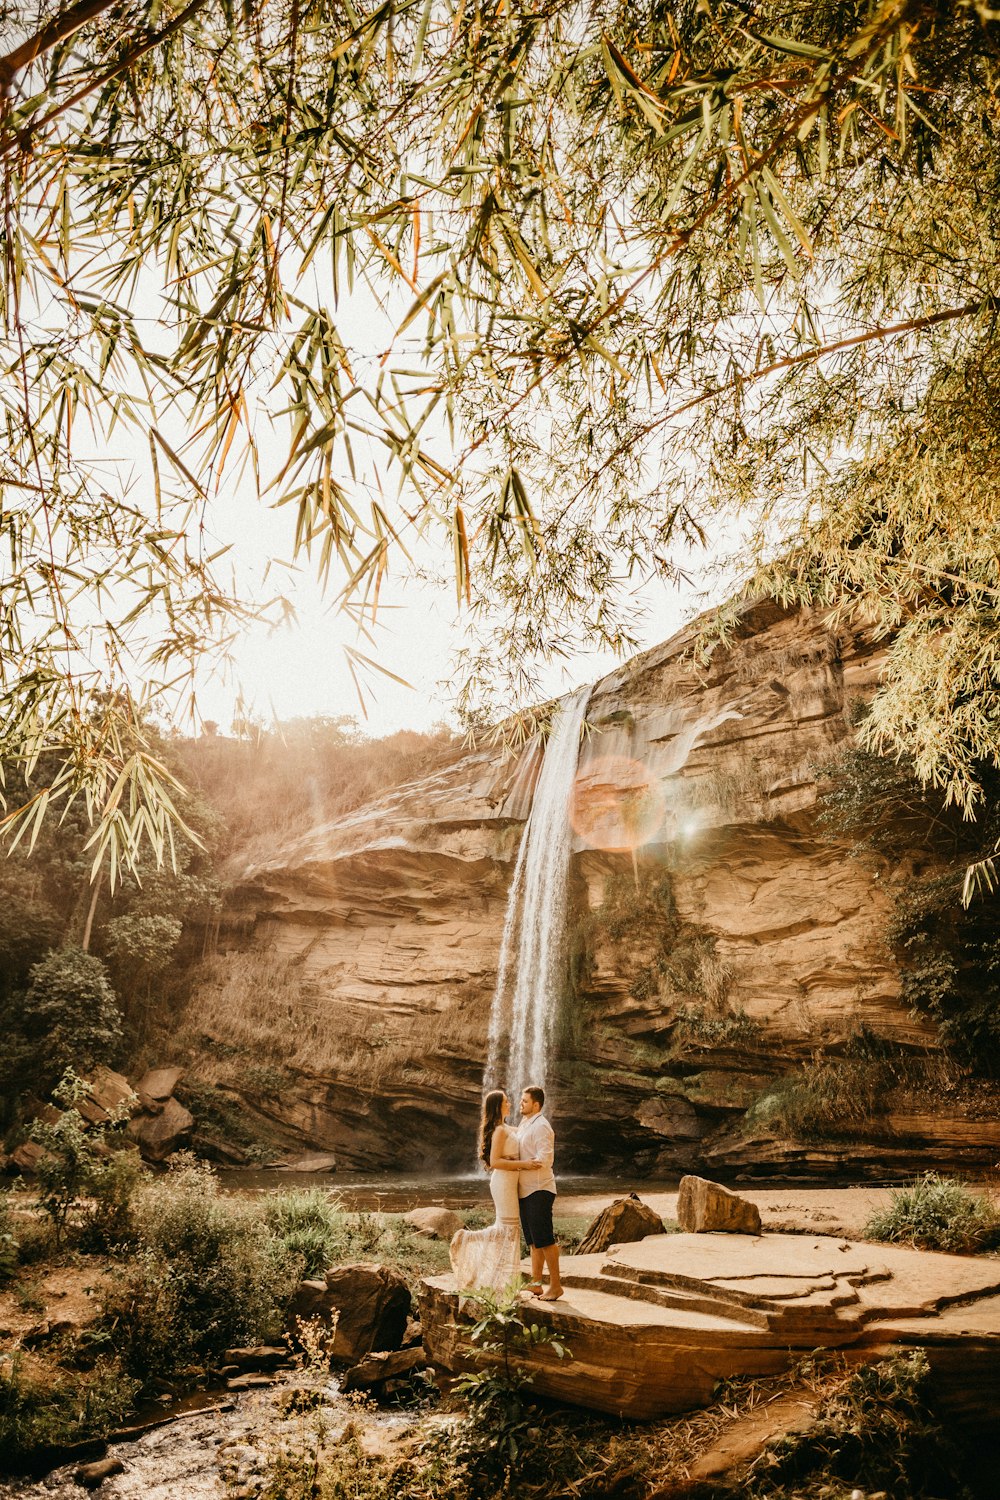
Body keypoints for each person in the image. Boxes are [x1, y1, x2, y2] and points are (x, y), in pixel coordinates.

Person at [449, 1089, 542, 1293]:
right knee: (508, 1229)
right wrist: (525, 1164)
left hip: (511, 1181)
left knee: (508, 1230)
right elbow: (494, 1162)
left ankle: (503, 1280)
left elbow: (529, 1130)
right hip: (503, 1181)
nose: (510, 1104)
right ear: (498, 1106)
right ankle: (467, 1239)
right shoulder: (499, 1130)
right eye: (506, 1102)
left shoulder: (509, 1127)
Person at [517, 1084, 563, 1301]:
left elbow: (545, 1159)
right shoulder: (525, 1123)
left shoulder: (541, 1126)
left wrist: (521, 1164)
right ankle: (536, 1283)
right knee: (534, 1240)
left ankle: (556, 1286)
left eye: (525, 1101)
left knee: (545, 1239)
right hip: (525, 1190)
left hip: (539, 1189)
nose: (521, 1104)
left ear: (536, 1104)